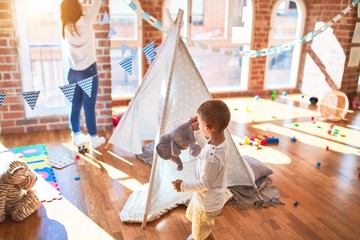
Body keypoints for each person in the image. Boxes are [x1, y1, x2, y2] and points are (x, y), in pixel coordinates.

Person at [172, 99, 231, 240]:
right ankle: (201, 233)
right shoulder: (220, 141)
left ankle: (200, 237)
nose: (197, 124)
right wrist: (198, 131)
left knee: (200, 234)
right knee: (195, 220)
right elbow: (207, 146)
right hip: (206, 198)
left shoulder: (211, 158)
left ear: (208, 128)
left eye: (199, 123)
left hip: (206, 203)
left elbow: (204, 184)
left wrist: (182, 186)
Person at [60, 0, 105, 148]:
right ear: (77, 7)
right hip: (88, 72)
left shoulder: (65, 27)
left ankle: (76, 136)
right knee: (89, 107)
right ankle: (93, 139)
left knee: (75, 105)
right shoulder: (86, 21)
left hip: (73, 72)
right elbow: (97, 3)